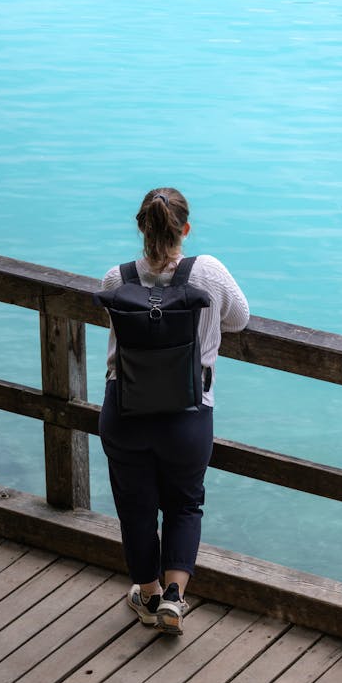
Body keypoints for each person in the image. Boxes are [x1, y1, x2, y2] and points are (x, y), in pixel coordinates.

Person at [98, 187, 249, 635]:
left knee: (135, 508)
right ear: (185, 229)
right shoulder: (209, 273)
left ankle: (146, 595)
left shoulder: (115, 278)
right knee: (185, 504)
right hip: (188, 415)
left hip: (125, 412)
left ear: (141, 226)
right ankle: (175, 597)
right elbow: (240, 319)